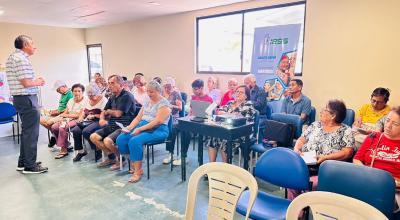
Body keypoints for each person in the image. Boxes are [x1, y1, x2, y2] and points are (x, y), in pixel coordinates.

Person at [290, 99, 355, 199]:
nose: (321, 111)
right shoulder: (316, 125)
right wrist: (296, 149)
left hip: (326, 170)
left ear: (333, 115)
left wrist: (325, 157)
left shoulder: (346, 131)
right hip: (305, 164)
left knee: (310, 185)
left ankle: (304, 208)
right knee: (292, 179)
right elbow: (301, 139)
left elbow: (347, 152)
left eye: (325, 109)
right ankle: (295, 210)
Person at [6, 35, 48, 174]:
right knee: (31, 133)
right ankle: (30, 166)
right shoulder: (21, 59)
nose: (34, 46)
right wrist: (39, 81)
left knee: (27, 132)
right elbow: (26, 82)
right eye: (32, 43)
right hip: (27, 98)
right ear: (25, 45)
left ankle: (24, 162)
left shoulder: (13, 57)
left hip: (21, 99)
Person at [116, 80, 171, 183]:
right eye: (148, 91)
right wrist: (129, 127)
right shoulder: (146, 101)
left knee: (135, 141)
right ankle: (133, 163)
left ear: (159, 91)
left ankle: (138, 171)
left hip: (158, 129)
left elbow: (158, 121)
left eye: (152, 92)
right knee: (121, 139)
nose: (149, 94)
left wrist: (139, 129)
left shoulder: (164, 104)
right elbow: (138, 118)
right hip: (143, 126)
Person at [353, 106, 400, 212]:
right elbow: (357, 159)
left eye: (395, 124)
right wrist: (367, 173)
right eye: (387, 120)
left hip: (394, 190)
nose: (388, 126)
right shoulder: (374, 136)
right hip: (368, 180)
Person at [90, 75, 136, 169]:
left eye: (112, 83)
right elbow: (104, 111)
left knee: (107, 141)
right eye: (109, 83)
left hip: (124, 126)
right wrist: (102, 119)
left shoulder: (127, 96)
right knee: (93, 137)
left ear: (121, 84)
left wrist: (109, 111)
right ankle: (112, 157)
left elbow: (118, 114)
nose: (109, 86)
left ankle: (121, 159)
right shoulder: (112, 96)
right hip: (112, 124)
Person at [207, 85, 255, 163]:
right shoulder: (231, 102)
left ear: (246, 96)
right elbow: (219, 111)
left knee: (224, 140)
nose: (238, 93)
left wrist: (227, 114)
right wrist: (230, 113)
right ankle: (211, 167)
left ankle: (225, 169)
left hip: (242, 133)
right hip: (227, 129)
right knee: (212, 137)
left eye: (241, 92)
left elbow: (239, 117)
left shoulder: (248, 105)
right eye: (237, 92)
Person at [70, 83, 108, 162]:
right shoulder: (88, 100)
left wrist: (94, 115)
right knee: (75, 130)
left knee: (86, 131)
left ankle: (97, 149)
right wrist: (80, 118)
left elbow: (104, 114)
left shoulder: (103, 100)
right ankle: (81, 152)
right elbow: (84, 111)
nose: (91, 97)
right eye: (89, 95)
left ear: (97, 93)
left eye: (92, 95)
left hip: (99, 120)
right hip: (88, 120)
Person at [51, 84, 86, 159]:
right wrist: (62, 118)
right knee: (54, 127)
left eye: (79, 91)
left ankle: (64, 150)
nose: (77, 93)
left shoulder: (85, 101)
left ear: (82, 92)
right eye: (75, 91)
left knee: (62, 127)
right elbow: (66, 112)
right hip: (68, 118)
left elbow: (79, 115)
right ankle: (66, 144)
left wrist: (67, 116)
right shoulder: (70, 100)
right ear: (72, 92)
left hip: (78, 120)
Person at [40, 80, 74, 147]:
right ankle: (56, 136)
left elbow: (69, 108)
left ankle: (57, 138)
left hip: (65, 115)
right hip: (58, 113)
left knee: (49, 123)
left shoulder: (70, 94)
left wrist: (58, 112)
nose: (57, 91)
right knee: (40, 120)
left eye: (58, 89)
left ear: (63, 86)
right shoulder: (63, 94)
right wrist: (53, 111)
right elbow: (60, 107)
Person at [161, 77, 182, 165]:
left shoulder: (176, 94)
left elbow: (180, 108)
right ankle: (169, 152)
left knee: (171, 129)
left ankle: (171, 153)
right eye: (165, 87)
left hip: (174, 118)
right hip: (165, 116)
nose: (166, 88)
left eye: (168, 87)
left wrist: (171, 106)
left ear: (172, 86)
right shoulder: (164, 93)